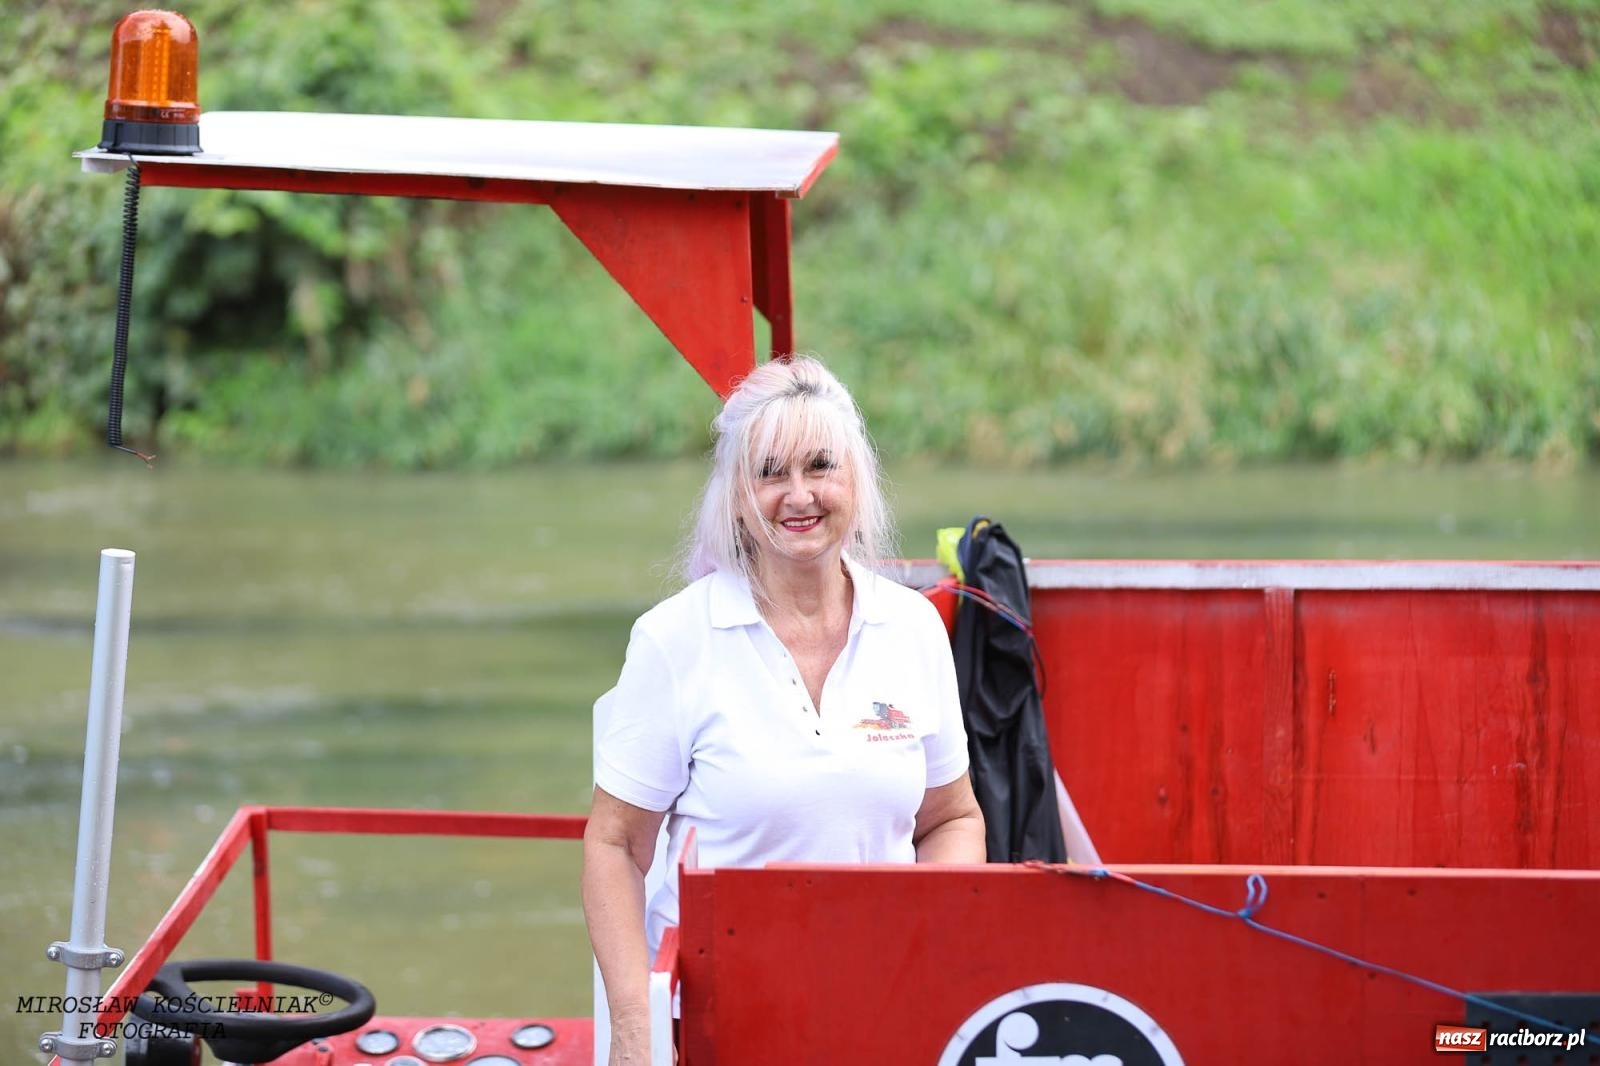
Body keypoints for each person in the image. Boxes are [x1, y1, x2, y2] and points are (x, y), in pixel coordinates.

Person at [581, 355, 985, 1065]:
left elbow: (951, 819)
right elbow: (615, 847)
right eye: (771, 473)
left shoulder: (914, 628)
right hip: (720, 1021)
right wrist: (635, 1029)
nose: (800, 495)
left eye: (821, 466)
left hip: (882, 1010)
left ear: (856, 481)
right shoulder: (675, 640)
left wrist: (930, 952)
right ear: (737, 498)